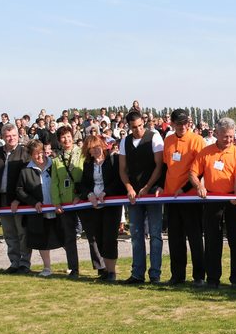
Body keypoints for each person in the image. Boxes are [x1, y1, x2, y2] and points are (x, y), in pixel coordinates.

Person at [190, 117, 236, 289]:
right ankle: (213, 279)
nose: (229, 140)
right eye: (225, 136)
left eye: (232, 136)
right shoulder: (206, 152)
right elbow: (193, 173)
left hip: (233, 201)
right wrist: (199, 185)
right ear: (216, 133)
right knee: (212, 240)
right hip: (212, 200)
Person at [119, 111, 165, 284]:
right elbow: (122, 169)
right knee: (136, 235)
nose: (138, 129)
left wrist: (147, 188)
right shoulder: (125, 141)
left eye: (140, 125)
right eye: (134, 127)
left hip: (152, 192)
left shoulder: (155, 138)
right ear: (128, 127)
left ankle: (155, 274)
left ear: (143, 123)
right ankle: (137, 273)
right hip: (134, 195)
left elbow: (159, 166)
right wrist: (129, 187)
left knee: (155, 234)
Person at [161, 109, 205, 286]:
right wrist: (160, 188)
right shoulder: (168, 140)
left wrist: (185, 188)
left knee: (194, 237)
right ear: (172, 124)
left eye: (185, 123)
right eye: (178, 123)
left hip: (190, 196)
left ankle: (199, 276)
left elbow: (200, 171)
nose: (182, 126)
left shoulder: (197, 140)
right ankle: (177, 275)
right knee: (175, 238)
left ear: (189, 122)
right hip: (171, 197)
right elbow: (166, 167)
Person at [78, 135, 124, 282]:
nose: (96, 150)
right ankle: (104, 270)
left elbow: (119, 180)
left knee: (110, 238)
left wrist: (107, 192)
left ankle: (112, 272)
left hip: (111, 205)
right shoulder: (87, 165)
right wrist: (89, 194)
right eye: (92, 148)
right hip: (94, 206)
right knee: (99, 237)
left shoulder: (113, 160)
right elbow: (84, 184)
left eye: (98, 146)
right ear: (88, 151)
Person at [0, 123, 32, 274]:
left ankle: (24, 264)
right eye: (8, 136)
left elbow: (27, 179)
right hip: (2, 199)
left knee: (22, 232)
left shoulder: (25, 152)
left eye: (14, 135)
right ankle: (14, 262)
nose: (11, 138)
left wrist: (19, 200)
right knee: (9, 233)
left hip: (19, 200)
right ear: (2, 137)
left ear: (18, 135)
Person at [16, 140, 64, 277]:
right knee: (43, 241)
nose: (39, 156)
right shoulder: (25, 170)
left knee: (65, 237)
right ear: (30, 155)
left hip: (58, 209)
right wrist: (33, 202)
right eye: (36, 154)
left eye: (41, 152)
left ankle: (73, 267)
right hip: (39, 213)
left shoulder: (54, 164)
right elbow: (20, 190)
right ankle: (47, 268)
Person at [50, 126, 88, 278]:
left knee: (91, 235)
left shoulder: (83, 153)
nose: (66, 140)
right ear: (59, 140)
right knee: (69, 237)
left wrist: (83, 194)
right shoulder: (56, 160)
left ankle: (101, 267)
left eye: (68, 136)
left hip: (82, 200)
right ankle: (74, 268)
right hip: (65, 203)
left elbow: (87, 175)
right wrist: (57, 202)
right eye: (63, 137)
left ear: (73, 136)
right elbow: (54, 183)